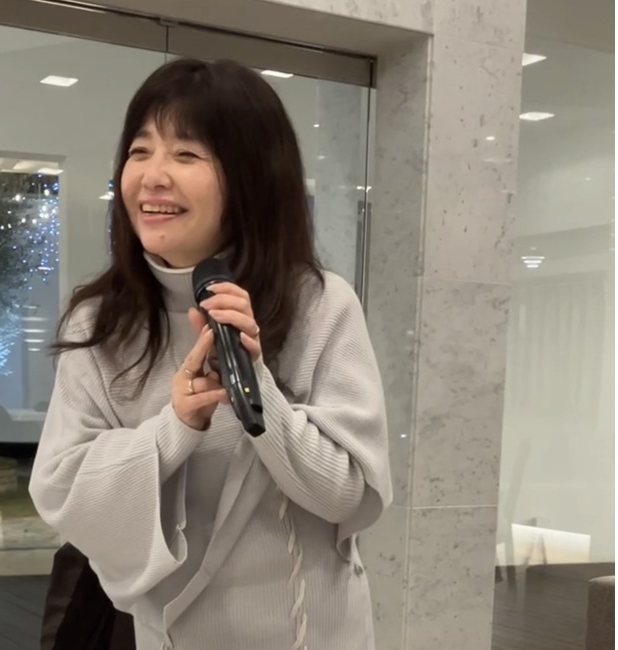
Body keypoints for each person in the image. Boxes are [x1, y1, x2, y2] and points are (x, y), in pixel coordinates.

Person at [30, 57, 392, 650]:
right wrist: (173, 429)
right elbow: (62, 491)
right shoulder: (100, 323)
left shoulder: (321, 305)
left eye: (186, 154)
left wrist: (257, 388)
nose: (152, 176)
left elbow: (348, 493)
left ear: (252, 178)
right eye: (140, 150)